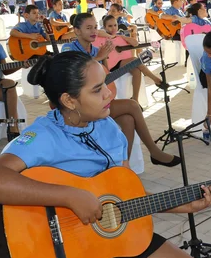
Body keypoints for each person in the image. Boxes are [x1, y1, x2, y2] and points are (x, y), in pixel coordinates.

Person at [0, 51, 211, 258]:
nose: (110, 95)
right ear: (69, 100)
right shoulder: (42, 136)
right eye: (98, 89)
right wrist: (69, 195)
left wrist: (182, 206)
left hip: (117, 237)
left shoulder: (109, 128)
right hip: (73, 252)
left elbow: (125, 195)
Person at [61, 13, 181, 167]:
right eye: (88, 28)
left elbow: (105, 77)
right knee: (132, 105)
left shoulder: (97, 49)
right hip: (79, 106)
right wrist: (98, 58)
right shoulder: (68, 48)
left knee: (128, 120)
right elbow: (73, 76)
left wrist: (102, 60)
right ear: (76, 31)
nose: (94, 31)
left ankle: (124, 166)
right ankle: (154, 151)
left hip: (97, 103)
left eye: (95, 27)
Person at [99, 14, 166, 102]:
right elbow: (97, 32)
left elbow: (135, 44)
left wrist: (122, 36)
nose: (113, 28)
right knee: (135, 60)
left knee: (137, 71)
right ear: (104, 27)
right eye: (110, 26)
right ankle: (155, 79)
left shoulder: (119, 37)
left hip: (122, 62)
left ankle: (135, 99)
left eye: (115, 25)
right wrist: (110, 36)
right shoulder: (102, 36)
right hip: (111, 66)